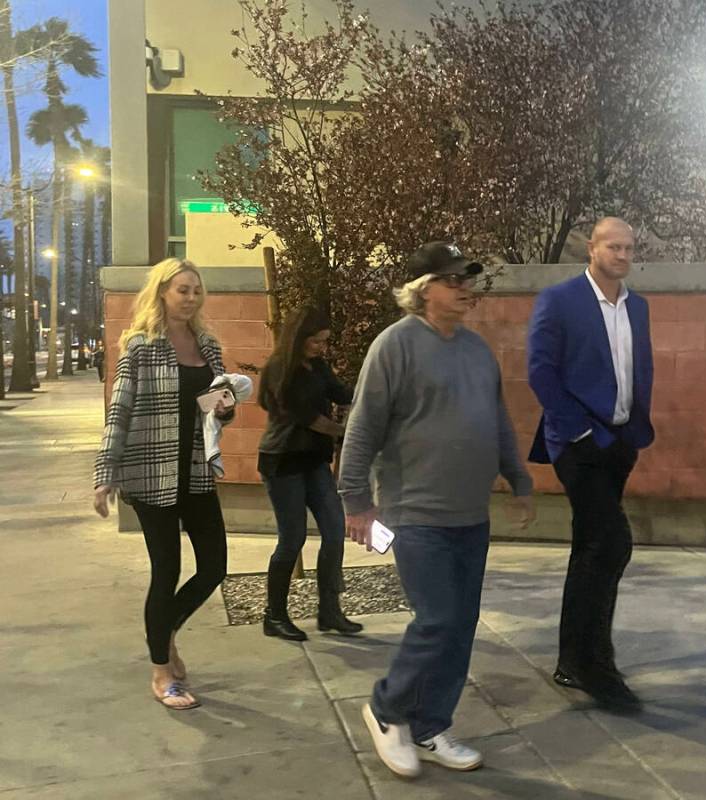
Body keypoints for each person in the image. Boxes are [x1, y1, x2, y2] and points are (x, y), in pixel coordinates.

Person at [338, 241, 535, 779]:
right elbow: (363, 428)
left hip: (470, 513)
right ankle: (386, 708)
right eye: (454, 280)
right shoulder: (394, 346)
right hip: (415, 512)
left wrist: (518, 478)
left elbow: (496, 421)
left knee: (462, 623)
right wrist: (356, 502)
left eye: (468, 279)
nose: (465, 288)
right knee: (439, 619)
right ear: (424, 290)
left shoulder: (475, 350)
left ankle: (429, 724)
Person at [93, 258, 236, 711]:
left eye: (196, 289)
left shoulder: (208, 345)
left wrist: (225, 408)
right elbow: (120, 410)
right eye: (182, 289)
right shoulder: (140, 345)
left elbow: (211, 406)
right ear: (162, 293)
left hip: (195, 471)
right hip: (151, 473)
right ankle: (162, 670)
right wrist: (105, 474)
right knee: (166, 571)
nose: (190, 297)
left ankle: (164, 631)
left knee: (214, 567)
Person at [527, 217, 655, 713]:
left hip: (620, 442)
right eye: (614, 246)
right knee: (612, 542)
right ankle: (596, 666)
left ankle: (571, 659)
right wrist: (578, 431)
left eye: (629, 247)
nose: (623, 255)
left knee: (589, 549)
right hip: (578, 445)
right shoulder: (559, 301)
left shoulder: (637, 307)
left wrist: (631, 432)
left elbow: (634, 370)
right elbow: (540, 370)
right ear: (592, 248)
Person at [257, 306, 362, 641]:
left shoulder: (317, 365)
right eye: (316, 341)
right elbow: (307, 417)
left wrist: (372, 393)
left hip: (314, 459)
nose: (321, 347)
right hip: (283, 461)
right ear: (299, 337)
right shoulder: (279, 369)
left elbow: (341, 393)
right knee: (293, 539)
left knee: (334, 531)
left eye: (324, 341)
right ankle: (274, 615)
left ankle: (329, 611)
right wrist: (344, 431)